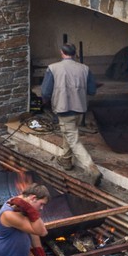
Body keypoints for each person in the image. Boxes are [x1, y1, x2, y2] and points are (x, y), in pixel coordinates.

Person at [41, 42, 99, 182]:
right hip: (80, 110)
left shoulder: (53, 68)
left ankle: (91, 168)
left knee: (73, 139)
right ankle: (66, 161)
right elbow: (92, 91)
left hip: (64, 109)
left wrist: (46, 102)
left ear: (62, 53)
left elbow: (45, 92)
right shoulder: (85, 68)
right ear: (75, 53)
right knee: (69, 133)